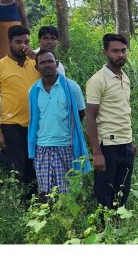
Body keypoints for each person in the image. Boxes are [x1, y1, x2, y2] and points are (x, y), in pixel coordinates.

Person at [0, 24, 40, 197]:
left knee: (36, 170)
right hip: (12, 128)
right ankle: (17, 209)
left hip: (38, 127)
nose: (23, 45)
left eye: (26, 41)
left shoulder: (37, 64)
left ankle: (38, 208)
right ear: (9, 42)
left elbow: (56, 79)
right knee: (16, 171)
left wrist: (38, 58)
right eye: (18, 42)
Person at [27, 49, 91, 198]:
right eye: (42, 62)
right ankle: (49, 220)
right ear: (37, 67)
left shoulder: (71, 87)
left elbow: (81, 113)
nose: (47, 65)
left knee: (69, 192)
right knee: (45, 193)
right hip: (42, 148)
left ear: (56, 64)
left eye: (50, 61)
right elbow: (35, 118)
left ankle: (69, 221)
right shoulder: (34, 90)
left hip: (67, 147)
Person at [85, 33, 137, 211]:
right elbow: (90, 117)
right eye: (115, 51)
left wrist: (130, 141)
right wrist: (97, 153)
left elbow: (123, 111)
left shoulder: (125, 78)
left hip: (126, 144)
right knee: (104, 194)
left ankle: (117, 230)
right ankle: (102, 232)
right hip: (107, 146)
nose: (121, 55)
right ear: (105, 52)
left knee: (122, 192)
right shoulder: (97, 80)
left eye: (123, 51)